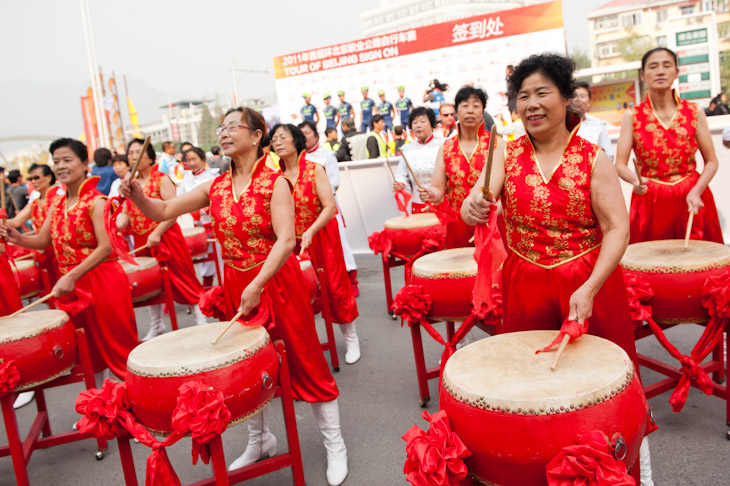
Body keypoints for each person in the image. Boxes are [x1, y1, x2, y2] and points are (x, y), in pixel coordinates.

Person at [120, 107, 348, 485]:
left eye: (232, 127)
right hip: (238, 286)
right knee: (245, 364)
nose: (224, 134)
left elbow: (287, 240)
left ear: (257, 135)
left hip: (276, 284)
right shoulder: (215, 186)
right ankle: (260, 439)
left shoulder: (275, 182)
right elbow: (163, 209)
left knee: (305, 360)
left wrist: (256, 285)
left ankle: (334, 443)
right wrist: (138, 197)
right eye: (222, 128)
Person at [460, 53, 645, 485]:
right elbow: (477, 200)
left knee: (607, 389)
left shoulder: (592, 157)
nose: (532, 104)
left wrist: (592, 286)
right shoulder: (505, 153)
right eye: (523, 96)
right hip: (525, 282)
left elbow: (618, 229)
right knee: (530, 388)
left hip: (589, 284)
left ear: (566, 98)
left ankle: (633, 467)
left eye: (542, 92)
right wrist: (473, 206)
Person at [0, 138, 138, 382]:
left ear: (85, 163)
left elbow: (106, 248)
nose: (60, 166)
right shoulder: (57, 203)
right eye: (56, 161)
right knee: (87, 350)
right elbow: (43, 240)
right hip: (71, 284)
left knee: (118, 348)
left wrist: (71, 275)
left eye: (67, 160)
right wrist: (16, 237)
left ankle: (136, 405)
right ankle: (103, 406)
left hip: (101, 281)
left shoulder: (97, 202)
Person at [615, 47, 723, 244]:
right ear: (643, 75)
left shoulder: (694, 112)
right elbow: (620, 164)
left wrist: (697, 190)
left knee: (697, 261)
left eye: (667, 66)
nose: (660, 71)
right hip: (651, 199)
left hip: (691, 196)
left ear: (676, 73)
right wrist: (635, 181)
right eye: (653, 66)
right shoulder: (633, 116)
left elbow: (712, 162)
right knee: (651, 264)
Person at [276, 123, 361, 364]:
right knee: (299, 296)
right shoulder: (275, 179)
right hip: (293, 243)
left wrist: (312, 229)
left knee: (335, 288)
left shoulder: (315, 169)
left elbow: (330, 207)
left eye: (283, 137)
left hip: (322, 236)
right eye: (274, 140)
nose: (278, 143)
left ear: (296, 140)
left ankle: (351, 338)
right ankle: (308, 347)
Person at [116, 138, 206, 339]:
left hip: (167, 237)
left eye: (138, 151)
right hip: (142, 241)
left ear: (149, 156)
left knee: (184, 279)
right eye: (130, 153)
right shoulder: (129, 184)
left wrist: (157, 232)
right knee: (151, 284)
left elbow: (173, 209)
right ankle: (156, 325)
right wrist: (113, 226)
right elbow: (125, 214)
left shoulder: (161, 179)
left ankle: (201, 319)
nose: (133, 156)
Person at [420, 86, 492, 247]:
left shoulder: (496, 144)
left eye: (476, 105)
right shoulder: (446, 148)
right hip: (456, 225)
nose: (470, 110)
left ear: (483, 111)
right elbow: (438, 189)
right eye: (465, 105)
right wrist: (431, 194)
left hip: (489, 221)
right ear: (457, 110)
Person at [299, 120, 360, 298]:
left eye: (307, 133)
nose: (304, 137)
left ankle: (351, 279)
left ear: (316, 135)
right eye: (300, 134)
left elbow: (334, 184)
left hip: (327, 208)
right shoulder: (297, 158)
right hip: (305, 213)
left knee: (339, 244)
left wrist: (314, 194)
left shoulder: (327, 156)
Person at [179, 146, 220, 287]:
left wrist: (203, 211)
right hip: (194, 226)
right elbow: (181, 198)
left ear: (202, 159)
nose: (191, 162)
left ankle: (218, 288)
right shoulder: (185, 178)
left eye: (194, 159)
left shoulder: (213, 176)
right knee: (199, 259)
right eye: (188, 160)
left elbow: (218, 197)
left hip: (211, 223)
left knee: (216, 258)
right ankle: (203, 289)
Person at [394, 107, 443, 213]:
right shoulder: (406, 150)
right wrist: (400, 184)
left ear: (432, 124)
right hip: (418, 203)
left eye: (422, 121)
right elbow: (401, 175)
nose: (418, 125)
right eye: (415, 122)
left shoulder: (444, 144)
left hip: (443, 203)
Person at [573, 81, 614, 160]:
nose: (578, 99)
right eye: (574, 96)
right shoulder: (561, 125)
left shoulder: (599, 125)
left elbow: (609, 156)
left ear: (589, 102)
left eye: (582, 96)